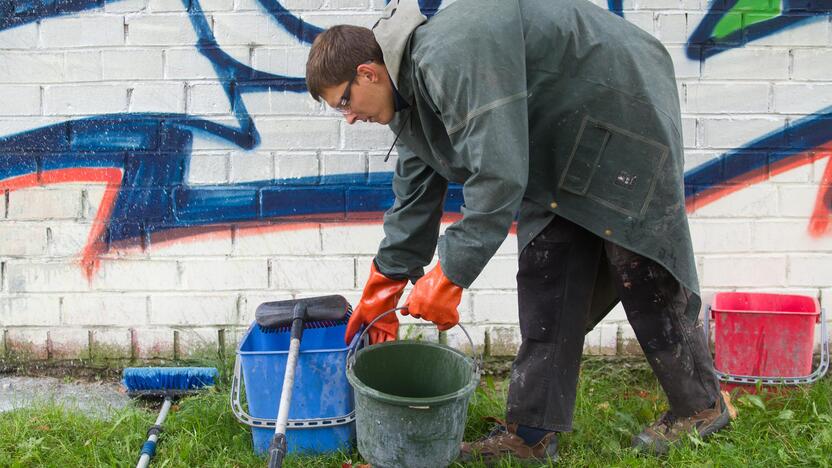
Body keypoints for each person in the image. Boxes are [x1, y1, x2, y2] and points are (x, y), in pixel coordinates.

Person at [305, 0, 730, 462]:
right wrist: (384, 284)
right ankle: (530, 433)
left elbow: (498, 175)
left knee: (637, 261)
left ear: (368, 72)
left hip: (619, 106)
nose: (347, 116)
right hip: (554, 143)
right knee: (546, 271)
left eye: (344, 101)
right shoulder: (408, 94)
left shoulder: (447, 54)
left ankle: (701, 407)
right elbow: (415, 193)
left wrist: (450, 276)